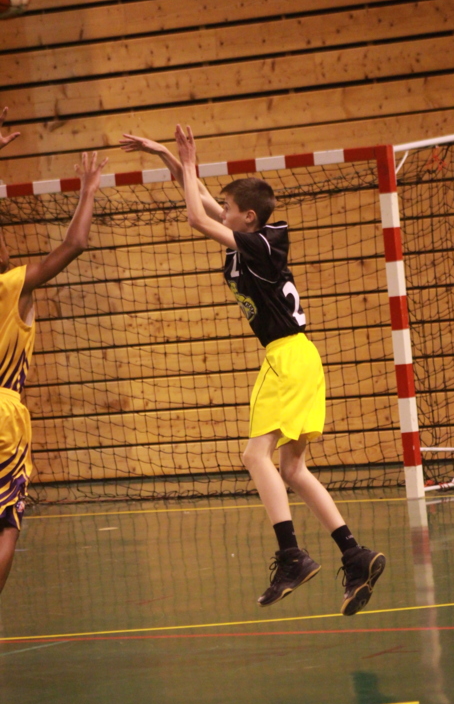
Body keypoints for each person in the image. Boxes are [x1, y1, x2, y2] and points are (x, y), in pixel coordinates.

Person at [120, 126, 385, 615]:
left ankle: (292, 556)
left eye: (228, 208)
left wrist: (190, 160)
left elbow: (195, 215)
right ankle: (354, 554)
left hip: (286, 358)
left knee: (254, 455)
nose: (221, 211)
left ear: (247, 216)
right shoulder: (252, 241)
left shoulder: (260, 246)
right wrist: (166, 157)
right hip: (303, 358)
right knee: (292, 469)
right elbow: (198, 194)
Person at [0, 118, 108, 594]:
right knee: (6, 522)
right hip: (4, 412)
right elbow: (74, 244)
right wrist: (87, 192)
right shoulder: (14, 285)